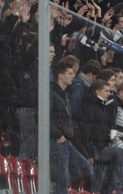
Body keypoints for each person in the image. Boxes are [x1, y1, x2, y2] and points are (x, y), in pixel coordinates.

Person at [77, 80, 123, 194]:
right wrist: (88, 154)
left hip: (102, 147)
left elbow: (106, 127)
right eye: (106, 91)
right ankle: (115, 188)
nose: (108, 94)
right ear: (97, 92)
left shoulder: (104, 106)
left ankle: (101, 190)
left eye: (109, 91)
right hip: (95, 149)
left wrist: (109, 136)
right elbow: (85, 133)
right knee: (122, 153)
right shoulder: (89, 107)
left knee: (99, 177)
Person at [51, 60, 94, 194]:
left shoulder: (65, 95)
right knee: (63, 178)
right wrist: (58, 135)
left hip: (67, 142)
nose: (72, 76)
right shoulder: (51, 93)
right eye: (69, 73)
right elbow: (42, 117)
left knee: (87, 169)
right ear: (60, 76)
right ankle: (54, 183)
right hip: (57, 142)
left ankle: (53, 181)